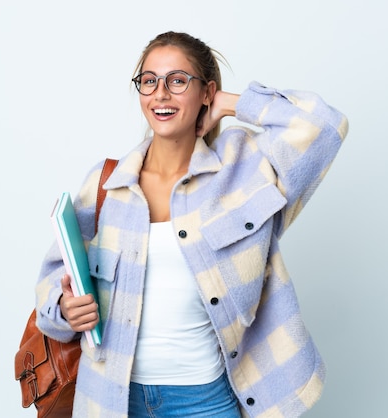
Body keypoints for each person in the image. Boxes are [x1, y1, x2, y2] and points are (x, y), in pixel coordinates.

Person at [34, 31, 349, 418]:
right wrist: (65, 308)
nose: (160, 93)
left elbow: (324, 126)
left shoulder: (242, 170)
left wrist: (231, 104)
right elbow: (53, 281)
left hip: (205, 403)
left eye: (178, 80)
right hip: (112, 401)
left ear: (206, 92)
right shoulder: (105, 185)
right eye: (149, 81)